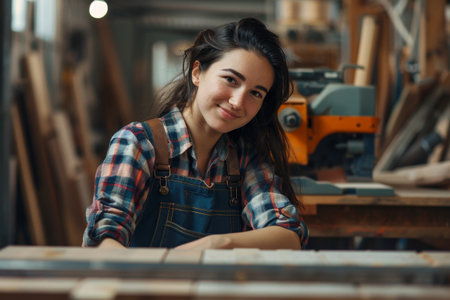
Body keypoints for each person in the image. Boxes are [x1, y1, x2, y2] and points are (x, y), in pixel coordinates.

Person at [83, 17, 308, 250]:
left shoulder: (244, 158)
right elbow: (104, 240)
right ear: (197, 72)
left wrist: (219, 243)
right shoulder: (138, 143)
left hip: (216, 286)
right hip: (147, 284)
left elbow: (289, 234)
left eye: (256, 93)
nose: (237, 101)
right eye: (230, 80)